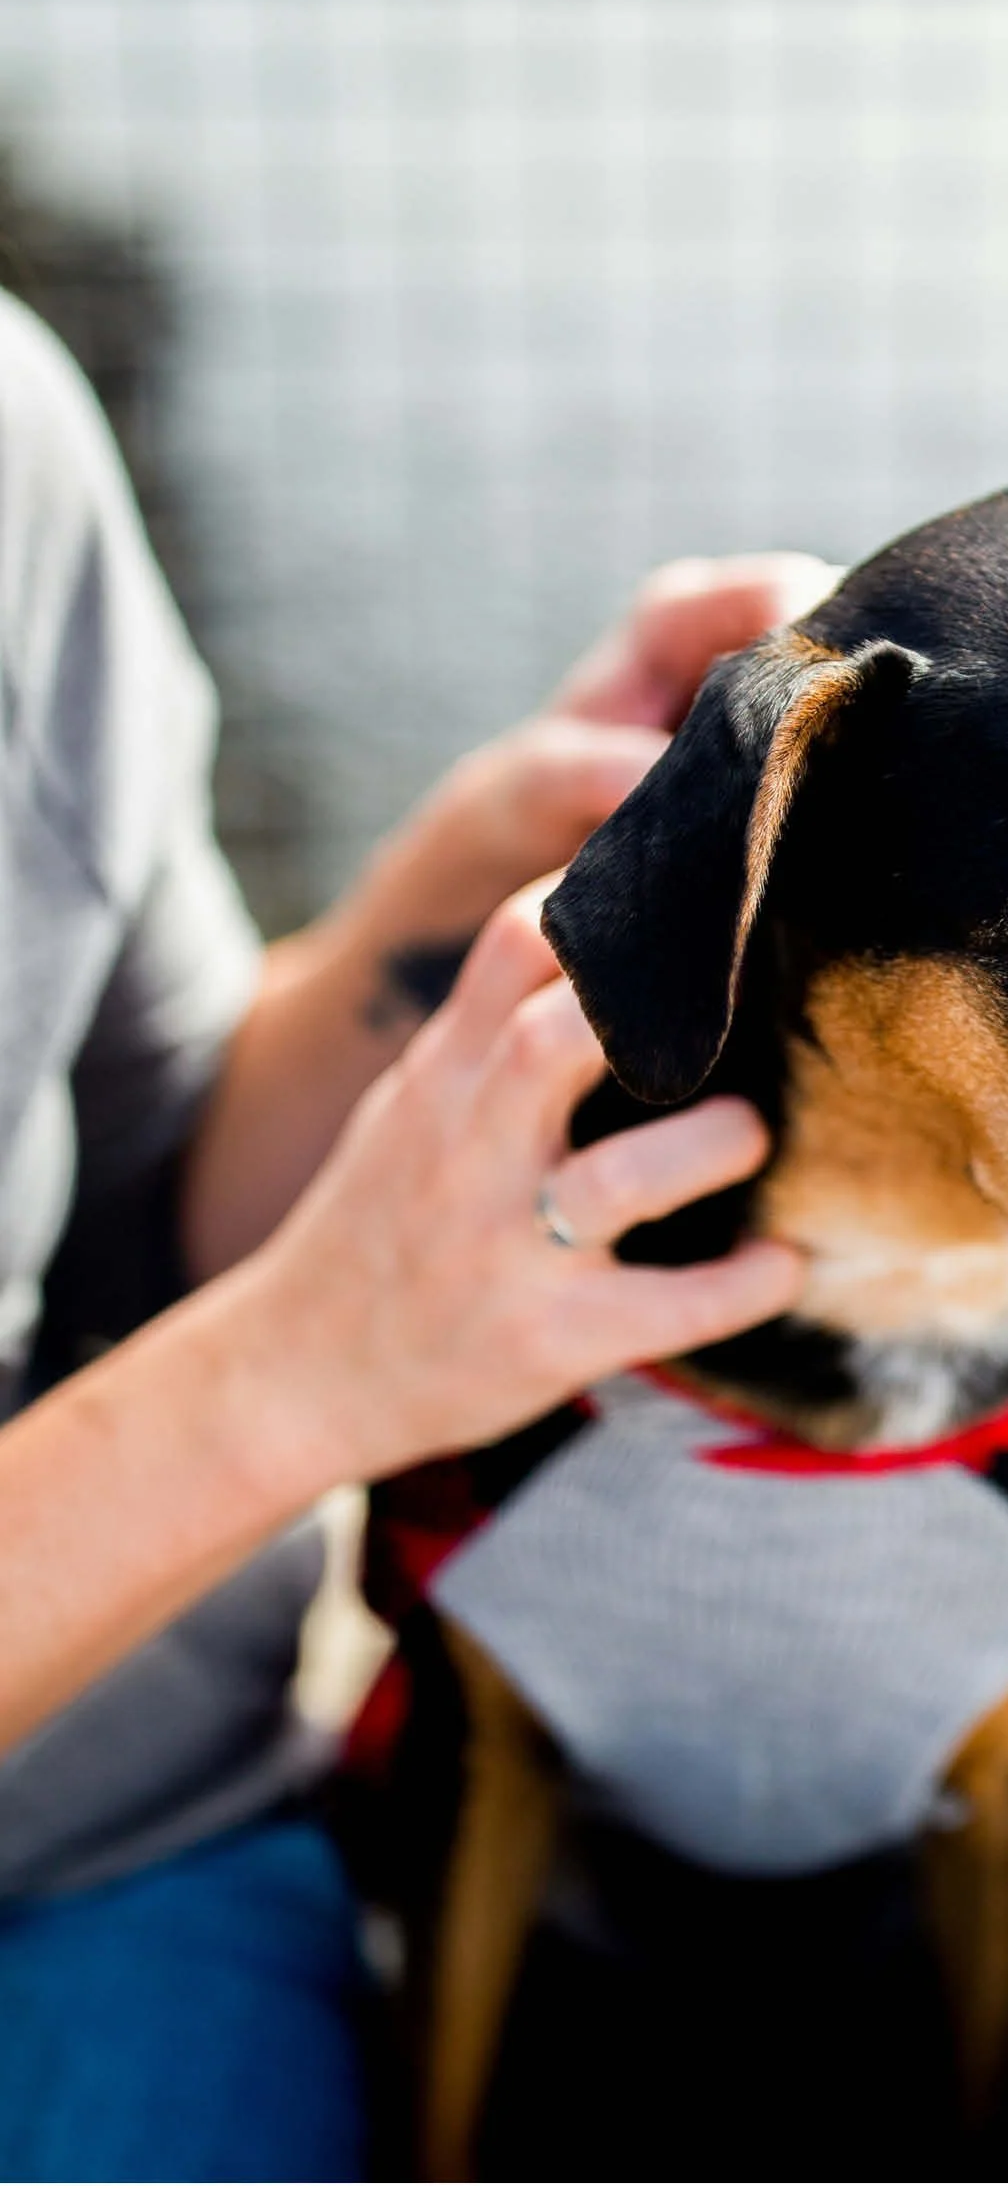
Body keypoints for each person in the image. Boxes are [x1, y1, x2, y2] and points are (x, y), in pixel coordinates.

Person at [0, 280, 818, 2176]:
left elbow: (136, 1183)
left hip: (123, 1848)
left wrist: (454, 913)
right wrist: (298, 1378)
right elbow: (253, 1341)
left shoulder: (16, 443)